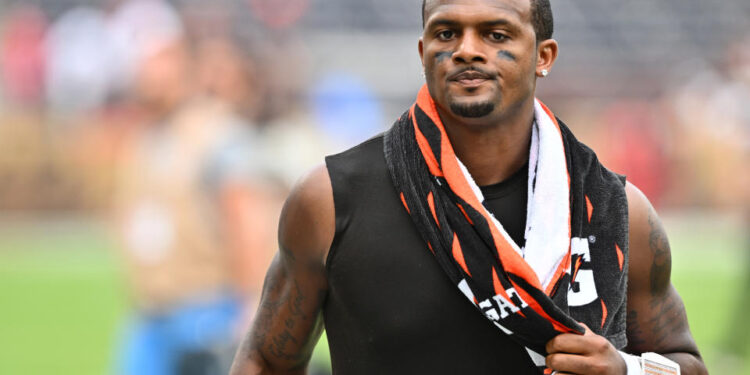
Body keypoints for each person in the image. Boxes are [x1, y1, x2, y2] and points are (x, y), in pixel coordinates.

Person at [229, 0, 708, 373]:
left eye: (496, 34)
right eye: (446, 32)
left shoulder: (615, 211)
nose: (466, 49)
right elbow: (267, 363)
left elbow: (687, 365)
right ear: (422, 52)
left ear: (544, 56)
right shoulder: (331, 201)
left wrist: (626, 370)